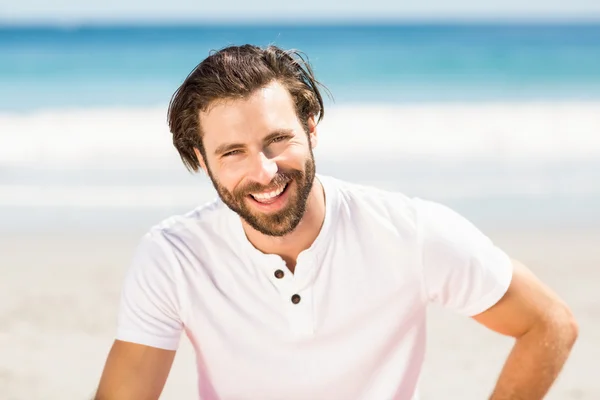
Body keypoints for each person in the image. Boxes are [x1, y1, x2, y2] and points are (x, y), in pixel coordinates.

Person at [95, 44, 578, 400]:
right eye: (233, 152)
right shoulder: (173, 257)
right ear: (201, 159)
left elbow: (548, 323)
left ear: (311, 129)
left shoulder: (408, 233)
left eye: (277, 139)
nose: (264, 171)